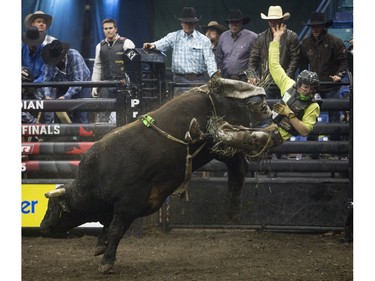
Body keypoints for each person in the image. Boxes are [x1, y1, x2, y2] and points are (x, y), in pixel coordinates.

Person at [208, 23, 321, 157]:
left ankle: (211, 133)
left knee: (244, 137)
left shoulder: (313, 106)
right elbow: (274, 66)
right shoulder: (289, 84)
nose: (307, 90)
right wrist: (276, 39)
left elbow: (305, 131)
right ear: (299, 83)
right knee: (254, 94)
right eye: (305, 86)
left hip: (276, 134)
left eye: (310, 88)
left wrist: (289, 114)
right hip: (267, 120)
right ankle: (218, 86)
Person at [143, 6, 217, 95]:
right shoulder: (174, 36)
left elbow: (210, 60)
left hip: (198, 81)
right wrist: (153, 45)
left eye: (190, 23)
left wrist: (214, 75)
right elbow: (163, 42)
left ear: (194, 23)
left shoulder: (204, 40)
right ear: (181, 23)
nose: (187, 25)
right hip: (179, 81)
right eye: (185, 22)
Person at [300, 12, 347, 124]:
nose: (315, 29)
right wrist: (304, 81)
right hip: (313, 87)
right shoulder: (306, 43)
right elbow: (302, 63)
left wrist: (339, 75)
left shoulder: (335, 42)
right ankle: (312, 140)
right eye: (313, 26)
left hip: (331, 85)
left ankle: (335, 140)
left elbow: (344, 61)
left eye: (318, 26)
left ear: (323, 26)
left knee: (334, 116)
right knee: (310, 116)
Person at [246, 5, 300, 99]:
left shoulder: (291, 37)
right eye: (270, 20)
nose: (273, 23)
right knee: (266, 110)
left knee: (286, 111)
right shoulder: (261, 37)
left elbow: (295, 60)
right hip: (267, 83)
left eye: (275, 20)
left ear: (281, 20)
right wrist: (251, 75)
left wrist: (285, 78)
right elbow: (253, 58)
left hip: (285, 83)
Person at [91, 18, 135, 123]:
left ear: (116, 29)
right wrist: (95, 85)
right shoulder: (100, 46)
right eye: (105, 29)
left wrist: (130, 84)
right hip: (105, 84)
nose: (108, 30)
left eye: (110, 28)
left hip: (122, 85)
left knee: (123, 114)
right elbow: (97, 66)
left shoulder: (127, 43)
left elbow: (133, 65)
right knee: (103, 114)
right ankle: (102, 136)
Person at [42, 40, 91, 124]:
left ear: (63, 57)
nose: (54, 63)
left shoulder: (75, 56)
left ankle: (82, 136)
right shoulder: (49, 59)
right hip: (61, 85)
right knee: (59, 115)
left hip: (82, 85)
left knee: (80, 116)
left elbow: (78, 81)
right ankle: (62, 136)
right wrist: (47, 95)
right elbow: (47, 80)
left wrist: (66, 96)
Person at [215, 9, 257, 81]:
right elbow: (219, 58)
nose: (234, 24)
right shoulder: (223, 37)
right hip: (226, 78)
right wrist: (222, 73)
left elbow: (256, 58)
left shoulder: (252, 37)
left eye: (236, 22)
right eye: (231, 22)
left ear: (242, 22)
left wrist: (252, 76)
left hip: (245, 79)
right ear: (228, 23)